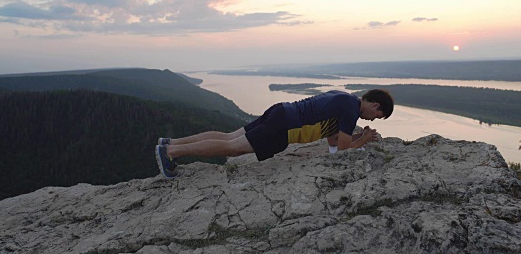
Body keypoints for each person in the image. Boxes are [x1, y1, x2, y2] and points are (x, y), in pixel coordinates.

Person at [155, 89, 394, 178]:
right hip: (285, 127)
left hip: (281, 112)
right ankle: (172, 152)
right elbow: (341, 149)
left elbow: (333, 141)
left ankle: (171, 143)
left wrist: (355, 138)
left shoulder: (343, 99)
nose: (373, 119)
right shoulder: (351, 109)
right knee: (233, 148)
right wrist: (362, 139)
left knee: (229, 137)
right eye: (377, 116)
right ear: (375, 106)